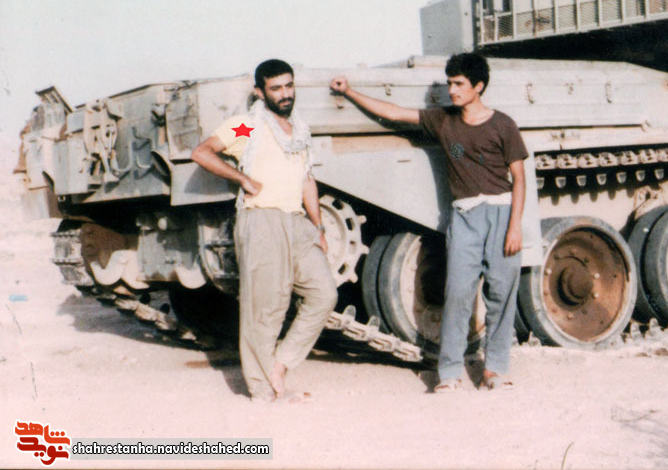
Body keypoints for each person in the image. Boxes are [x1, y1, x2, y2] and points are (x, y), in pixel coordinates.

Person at [330, 52, 528, 392]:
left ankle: (494, 370)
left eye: (459, 84)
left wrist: (515, 226)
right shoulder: (443, 121)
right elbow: (394, 112)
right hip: (465, 217)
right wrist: (349, 92)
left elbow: (519, 178)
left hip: (501, 214)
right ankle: (449, 374)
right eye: (450, 83)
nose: (452, 90)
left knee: (500, 294)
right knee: (457, 294)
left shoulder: (503, 125)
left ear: (478, 86)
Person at [191, 59, 337, 403]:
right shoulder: (248, 126)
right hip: (262, 221)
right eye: (276, 88)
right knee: (265, 308)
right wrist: (242, 178)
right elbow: (203, 152)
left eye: (289, 86)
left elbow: (307, 179)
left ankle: (281, 363)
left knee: (324, 294)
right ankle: (261, 389)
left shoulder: (299, 130)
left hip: (297, 223)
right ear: (260, 92)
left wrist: (318, 226)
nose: (285, 94)